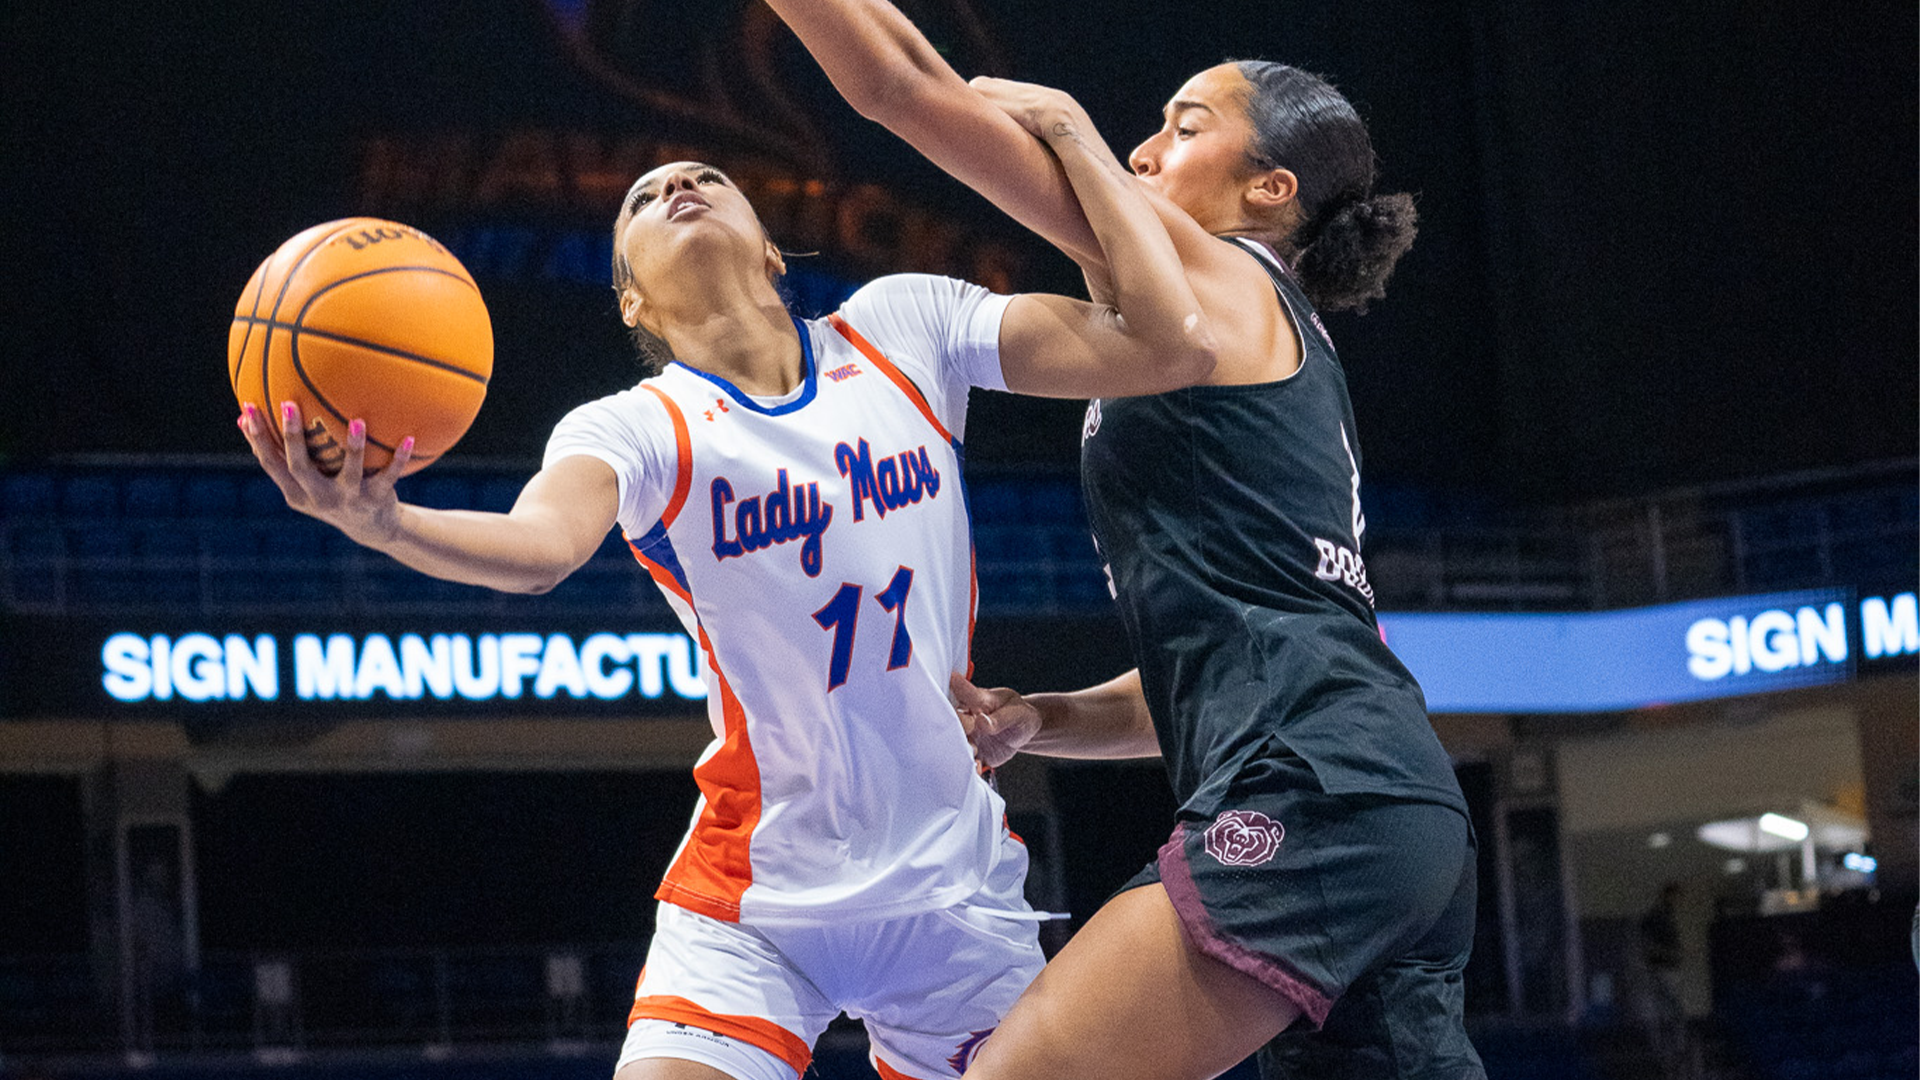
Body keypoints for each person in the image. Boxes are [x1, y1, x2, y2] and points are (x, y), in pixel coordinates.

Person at [238, 125, 1216, 1080]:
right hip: (754, 905)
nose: (674, 189)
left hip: (951, 893)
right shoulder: (638, 428)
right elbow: (538, 551)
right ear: (632, 298)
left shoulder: (901, 328)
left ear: (770, 247)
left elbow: (1161, 346)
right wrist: (387, 524)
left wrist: (1076, 144)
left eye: (702, 175)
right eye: (642, 200)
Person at [764, 4, 1484, 1078]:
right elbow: (1203, 676)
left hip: (1315, 793)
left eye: (1184, 127)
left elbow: (900, 87)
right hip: (1391, 807)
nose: (1147, 147)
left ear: (1269, 191)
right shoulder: (1264, 334)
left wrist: (1066, 124)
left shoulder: (1223, 277)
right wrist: (1040, 719)